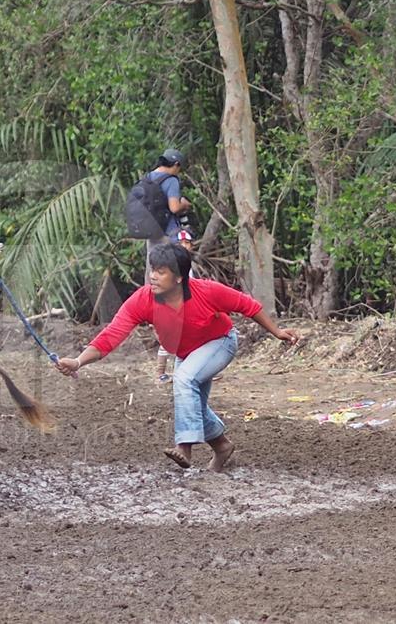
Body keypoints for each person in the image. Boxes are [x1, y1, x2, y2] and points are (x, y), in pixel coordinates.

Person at [56, 243, 299, 472]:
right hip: (187, 353)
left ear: (179, 277)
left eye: (161, 272)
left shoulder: (207, 291)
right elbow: (112, 335)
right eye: (153, 270)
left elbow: (249, 306)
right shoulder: (143, 299)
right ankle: (222, 446)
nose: (153, 277)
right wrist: (78, 361)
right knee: (191, 403)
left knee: (183, 381)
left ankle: (185, 446)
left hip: (220, 342)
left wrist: (277, 332)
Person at [144, 148, 192, 285]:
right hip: (169, 232)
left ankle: (150, 299)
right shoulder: (171, 180)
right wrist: (184, 204)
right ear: (176, 164)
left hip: (151, 231)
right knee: (175, 269)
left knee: (153, 267)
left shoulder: (148, 177)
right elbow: (174, 207)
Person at [156, 229, 195, 383]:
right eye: (180, 243)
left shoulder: (187, 265)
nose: (184, 246)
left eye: (187, 243)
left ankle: (189, 370)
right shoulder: (171, 266)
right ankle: (160, 372)